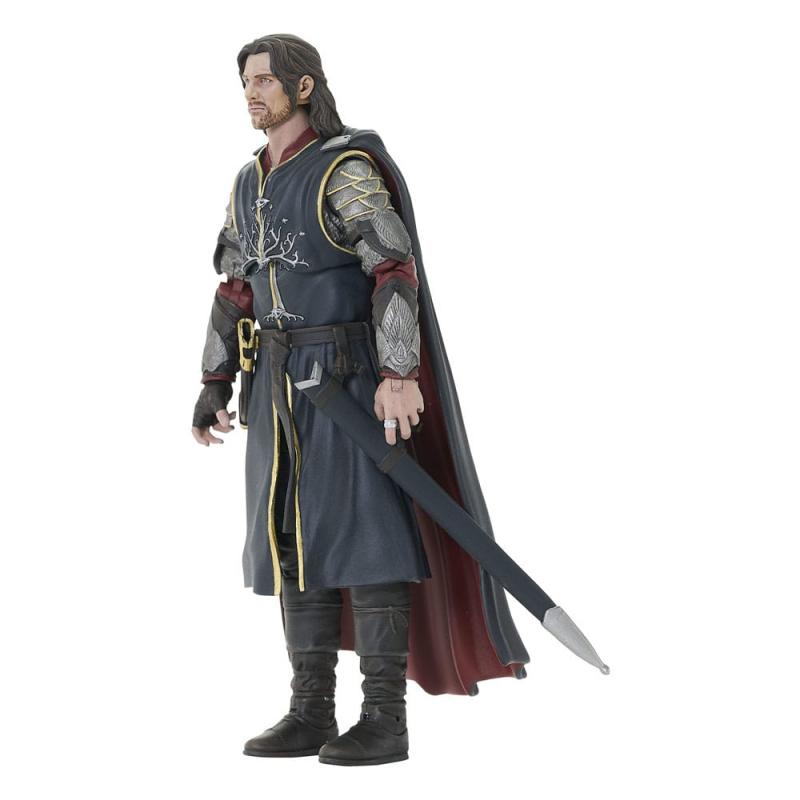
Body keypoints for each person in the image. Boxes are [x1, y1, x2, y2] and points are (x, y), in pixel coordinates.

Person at [192, 33, 529, 767]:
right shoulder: (247, 182)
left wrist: (398, 374)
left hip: (344, 378)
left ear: (303, 87)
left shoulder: (342, 171)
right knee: (290, 540)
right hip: (275, 383)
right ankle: (310, 709)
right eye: (245, 81)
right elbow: (235, 287)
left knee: (367, 537)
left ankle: (385, 718)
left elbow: (393, 269)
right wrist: (214, 381)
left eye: (264, 80)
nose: (251, 92)